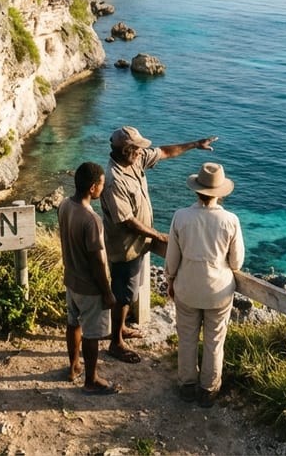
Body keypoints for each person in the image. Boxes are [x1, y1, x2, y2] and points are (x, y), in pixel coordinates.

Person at [101, 126, 217, 364]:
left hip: (138, 243)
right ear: (126, 150)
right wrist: (159, 236)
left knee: (129, 290)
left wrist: (195, 144)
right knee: (124, 293)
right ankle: (116, 342)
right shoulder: (114, 180)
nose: (142, 152)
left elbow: (164, 152)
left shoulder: (134, 159)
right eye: (137, 148)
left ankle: (120, 328)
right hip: (125, 246)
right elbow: (128, 221)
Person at [165, 162, 244, 407]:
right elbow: (236, 262)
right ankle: (208, 390)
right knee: (214, 341)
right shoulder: (230, 220)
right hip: (218, 291)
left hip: (187, 287)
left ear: (196, 190)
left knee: (187, 337)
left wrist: (170, 280)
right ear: (219, 193)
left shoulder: (181, 216)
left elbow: (171, 258)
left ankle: (187, 385)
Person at [59, 162, 119, 395]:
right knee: (92, 334)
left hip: (70, 279)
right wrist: (107, 292)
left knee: (73, 323)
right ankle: (91, 380)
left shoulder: (64, 205)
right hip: (89, 287)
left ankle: (73, 367)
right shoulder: (92, 220)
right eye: (102, 185)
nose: (103, 189)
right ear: (93, 187)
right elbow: (98, 262)